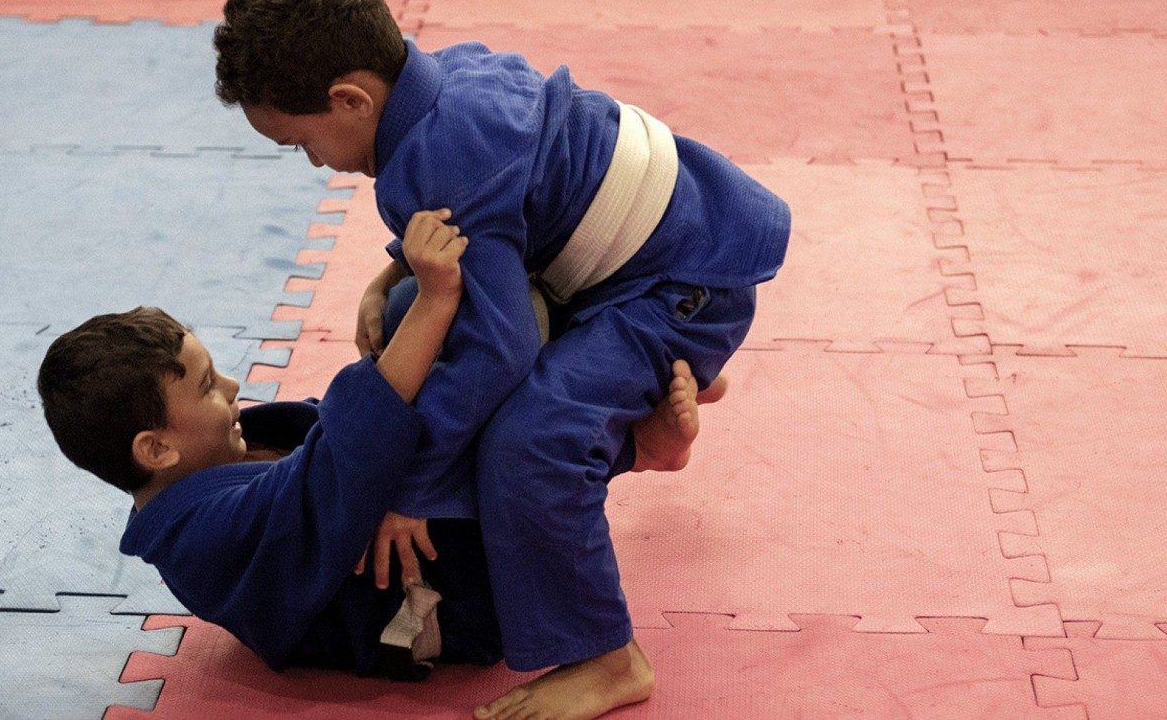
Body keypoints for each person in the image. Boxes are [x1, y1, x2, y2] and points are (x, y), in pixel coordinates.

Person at [214, 0, 789, 717]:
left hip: (675, 287)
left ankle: (609, 659)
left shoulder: (428, 158)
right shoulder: (449, 75)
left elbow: (501, 351)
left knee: (528, 443)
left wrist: (415, 487)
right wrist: (389, 268)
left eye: (303, 142)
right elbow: (489, 208)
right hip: (672, 247)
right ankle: (644, 396)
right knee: (404, 307)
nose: (317, 162)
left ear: (351, 100)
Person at [36, 211, 714, 691]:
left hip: (416, 532)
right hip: (469, 599)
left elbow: (337, 434)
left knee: (421, 328)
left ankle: (628, 376)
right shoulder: (197, 542)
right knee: (481, 409)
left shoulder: (221, 459)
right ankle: (632, 429)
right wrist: (434, 306)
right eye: (209, 388)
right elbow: (338, 466)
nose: (235, 386)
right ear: (156, 449)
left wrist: (399, 295)